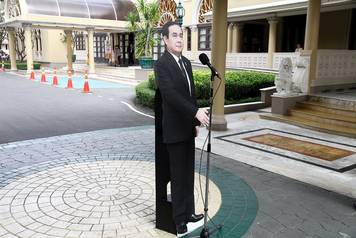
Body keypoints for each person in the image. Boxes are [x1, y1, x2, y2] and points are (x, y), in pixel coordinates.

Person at [154, 21, 209, 236]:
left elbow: (190, 96)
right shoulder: (162, 65)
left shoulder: (186, 63)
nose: (179, 39)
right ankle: (178, 220)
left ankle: (188, 212)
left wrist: (194, 123)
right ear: (166, 40)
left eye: (181, 35)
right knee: (177, 176)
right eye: (174, 35)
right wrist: (195, 113)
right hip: (173, 131)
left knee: (188, 174)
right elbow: (171, 96)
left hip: (187, 128)